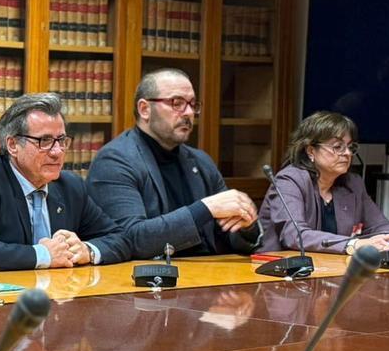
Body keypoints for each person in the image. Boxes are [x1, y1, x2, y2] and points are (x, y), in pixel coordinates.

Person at [87, 69, 260, 259]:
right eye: (177, 103)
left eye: (192, 104)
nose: (189, 113)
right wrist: (205, 208)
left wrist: (246, 226)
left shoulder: (201, 161)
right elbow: (130, 239)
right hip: (150, 275)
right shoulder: (115, 161)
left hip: (209, 271)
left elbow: (228, 237)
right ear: (144, 109)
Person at [0, 92, 130, 271]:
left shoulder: (70, 186)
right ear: (13, 145)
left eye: (61, 140)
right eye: (44, 141)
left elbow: (121, 238)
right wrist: (44, 255)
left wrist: (87, 250)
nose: (57, 151)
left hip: (63, 287)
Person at [257, 110, 389, 254]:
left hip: (328, 272)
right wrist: (353, 244)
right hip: (279, 274)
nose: (347, 153)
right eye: (337, 147)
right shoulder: (289, 180)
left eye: (350, 147)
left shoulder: (352, 183)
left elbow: (379, 225)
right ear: (311, 151)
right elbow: (295, 236)